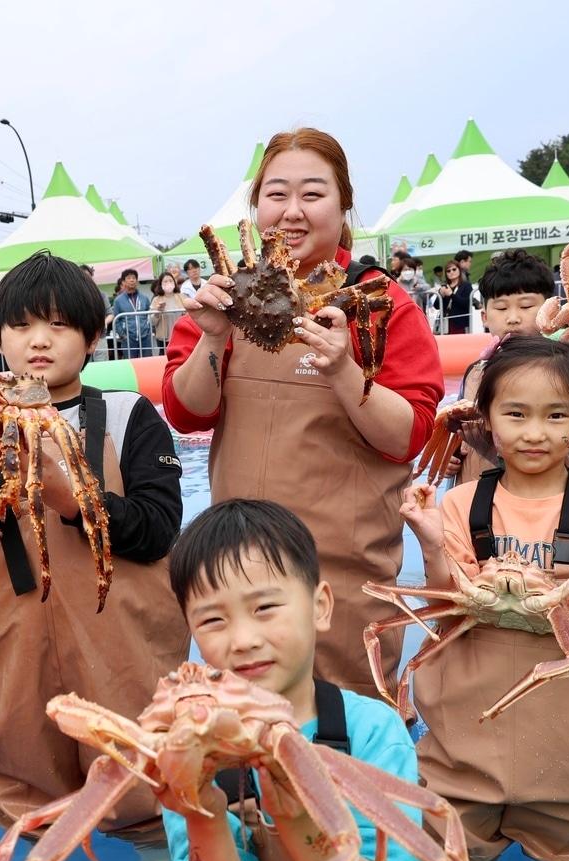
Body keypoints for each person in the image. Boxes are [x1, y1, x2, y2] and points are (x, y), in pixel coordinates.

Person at [163, 127, 444, 697]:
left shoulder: (378, 299)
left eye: (312, 194)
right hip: (241, 569)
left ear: (343, 207)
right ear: (256, 206)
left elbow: (410, 434)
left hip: (343, 574)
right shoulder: (228, 294)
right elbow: (185, 413)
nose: (292, 211)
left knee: (353, 734)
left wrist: (343, 367)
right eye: (276, 194)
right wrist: (213, 340)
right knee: (252, 729)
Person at [0, 251, 188, 832]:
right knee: (28, 802)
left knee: (145, 792)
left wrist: (70, 497)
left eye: (58, 325)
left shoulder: (130, 414)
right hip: (16, 645)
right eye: (22, 325)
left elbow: (160, 528)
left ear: (92, 337)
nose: (39, 341)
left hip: (123, 643)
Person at [402, 335, 569, 861]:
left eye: (557, 415)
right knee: (449, 849)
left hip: (567, 738)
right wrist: (431, 542)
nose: (536, 433)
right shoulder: (461, 504)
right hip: (465, 735)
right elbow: (443, 613)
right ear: (485, 419)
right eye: (516, 414)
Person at [161, 499, 436, 861]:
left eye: (265, 608)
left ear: (320, 606)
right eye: (213, 619)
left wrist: (298, 816)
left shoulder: (371, 734)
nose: (244, 639)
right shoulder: (191, 753)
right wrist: (203, 813)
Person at [446, 249, 569, 486]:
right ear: (485, 316)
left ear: (551, 309)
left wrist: (485, 448)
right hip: (476, 494)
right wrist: (453, 458)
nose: (513, 318)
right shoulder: (475, 372)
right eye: (502, 308)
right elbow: (461, 438)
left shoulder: (564, 368)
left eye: (526, 306)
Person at [111, 268, 153, 359]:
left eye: (134, 278)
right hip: (128, 339)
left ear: (137, 281)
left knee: (147, 363)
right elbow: (116, 320)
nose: (132, 280)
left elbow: (149, 316)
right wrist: (123, 335)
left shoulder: (144, 298)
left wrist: (149, 331)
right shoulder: (118, 300)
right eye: (129, 278)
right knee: (131, 364)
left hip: (145, 338)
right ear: (123, 282)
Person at [150, 271, 185, 353]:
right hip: (164, 338)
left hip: (180, 336)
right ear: (161, 284)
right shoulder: (156, 300)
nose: (168, 283)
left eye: (170, 280)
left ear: (174, 282)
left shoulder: (182, 297)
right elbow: (152, 322)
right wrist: (158, 311)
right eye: (165, 281)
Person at [437, 260, 469, 335]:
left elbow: (466, 303)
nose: (451, 272)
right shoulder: (445, 286)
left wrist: (452, 295)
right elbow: (437, 306)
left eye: (454, 269)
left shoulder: (466, 285)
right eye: (448, 271)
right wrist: (441, 295)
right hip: (445, 322)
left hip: (460, 323)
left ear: (459, 270)